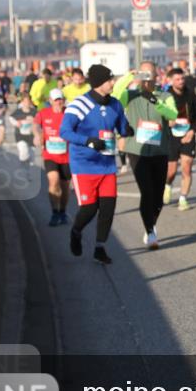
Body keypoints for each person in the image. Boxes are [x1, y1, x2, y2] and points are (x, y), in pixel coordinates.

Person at [59, 64, 131, 265]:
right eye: (110, 80)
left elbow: (122, 127)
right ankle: (76, 231)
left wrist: (129, 130)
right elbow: (64, 132)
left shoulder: (115, 104)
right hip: (84, 165)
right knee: (90, 209)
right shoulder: (79, 104)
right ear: (99, 83)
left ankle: (100, 248)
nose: (113, 82)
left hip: (107, 164)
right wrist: (88, 141)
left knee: (108, 208)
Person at [118, 62, 179, 250]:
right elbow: (115, 94)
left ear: (156, 76)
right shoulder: (130, 95)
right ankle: (150, 230)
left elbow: (173, 115)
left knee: (158, 196)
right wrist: (128, 77)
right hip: (137, 150)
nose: (146, 78)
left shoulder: (165, 96)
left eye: (149, 74)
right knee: (147, 191)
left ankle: (150, 223)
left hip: (160, 150)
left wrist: (155, 101)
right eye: (143, 74)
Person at [162, 67, 196, 212]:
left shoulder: (191, 95)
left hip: (188, 135)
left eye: (182, 79)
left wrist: (192, 130)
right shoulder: (165, 96)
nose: (181, 82)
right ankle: (167, 185)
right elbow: (159, 115)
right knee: (171, 171)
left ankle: (183, 199)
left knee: (186, 168)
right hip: (171, 137)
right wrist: (167, 122)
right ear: (171, 81)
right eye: (177, 79)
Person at [35, 88, 72, 226]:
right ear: (50, 101)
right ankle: (54, 212)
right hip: (50, 155)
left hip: (67, 156)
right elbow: (36, 125)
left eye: (60, 99)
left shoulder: (69, 114)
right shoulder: (44, 113)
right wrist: (37, 135)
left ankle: (62, 211)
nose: (58, 102)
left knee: (64, 186)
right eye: (56, 100)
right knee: (53, 181)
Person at [10, 93, 37, 167]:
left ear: (30, 102)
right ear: (22, 102)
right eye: (24, 102)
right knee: (23, 152)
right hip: (20, 135)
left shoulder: (34, 111)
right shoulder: (18, 111)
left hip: (31, 136)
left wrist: (34, 121)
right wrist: (16, 123)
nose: (26, 103)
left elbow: (39, 121)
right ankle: (22, 166)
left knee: (32, 156)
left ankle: (29, 171)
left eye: (28, 101)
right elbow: (11, 118)